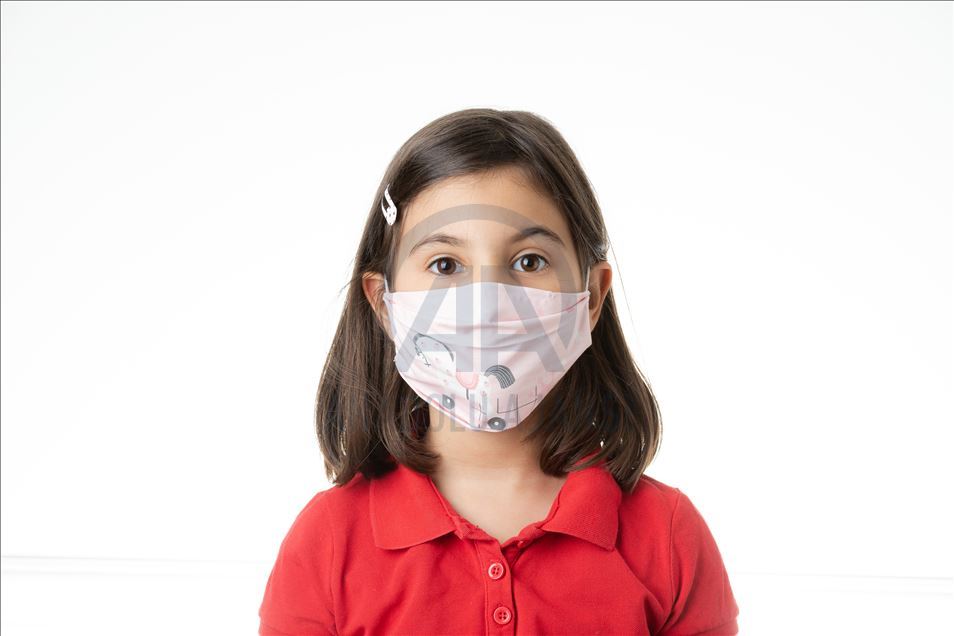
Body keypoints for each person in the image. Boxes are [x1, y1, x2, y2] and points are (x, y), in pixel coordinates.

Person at [258, 108, 740, 635]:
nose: (485, 305)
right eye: (446, 265)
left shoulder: (667, 537)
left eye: (529, 261)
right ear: (384, 304)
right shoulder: (328, 541)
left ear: (591, 297)